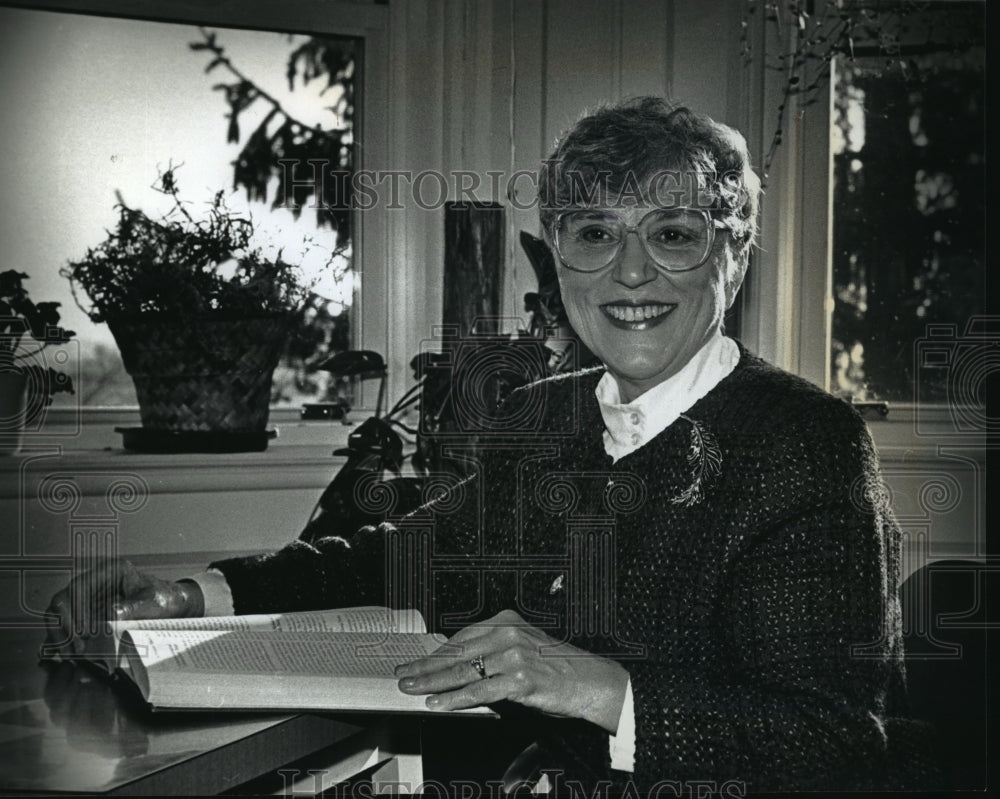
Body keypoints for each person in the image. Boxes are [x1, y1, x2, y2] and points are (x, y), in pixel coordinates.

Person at [47, 97, 935, 793]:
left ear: (731, 259)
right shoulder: (543, 417)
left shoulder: (806, 441)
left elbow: (836, 744)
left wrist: (601, 687)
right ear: (558, 260)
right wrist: (194, 589)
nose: (630, 272)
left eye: (672, 234)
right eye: (594, 234)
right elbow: (403, 559)